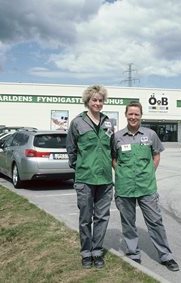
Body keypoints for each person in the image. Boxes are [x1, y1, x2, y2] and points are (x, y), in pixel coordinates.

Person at [111, 101, 179, 272]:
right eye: (130, 114)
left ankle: (166, 256)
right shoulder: (117, 137)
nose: (133, 117)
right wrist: (121, 173)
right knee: (128, 222)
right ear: (126, 115)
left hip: (146, 187)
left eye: (137, 114)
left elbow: (156, 156)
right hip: (124, 187)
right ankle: (133, 253)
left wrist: (149, 173)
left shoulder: (150, 135)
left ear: (141, 116)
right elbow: (114, 159)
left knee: (155, 222)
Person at [66, 85, 114, 269]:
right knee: (85, 218)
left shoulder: (108, 122)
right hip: (85, 178)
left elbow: (112, 147)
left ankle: (97, 252)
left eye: (100, 100)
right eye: (94, 100)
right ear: (88, 101)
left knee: (102, 217)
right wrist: (78, 166)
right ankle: (86, 253)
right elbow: (70, 147)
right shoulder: (78, 122)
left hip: (105, 179)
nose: (98, 103)